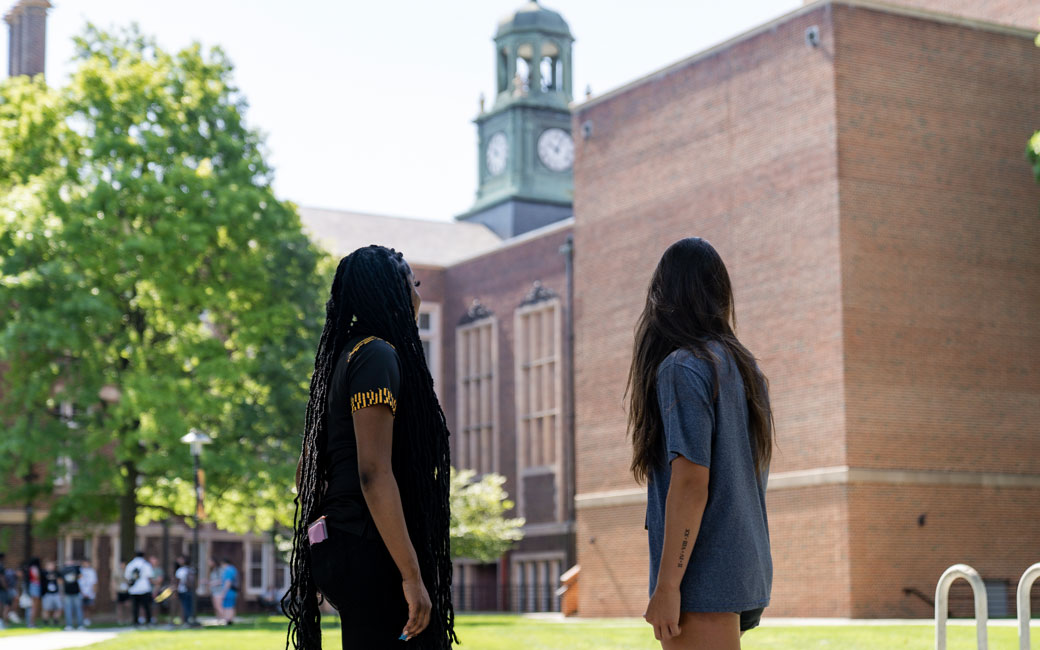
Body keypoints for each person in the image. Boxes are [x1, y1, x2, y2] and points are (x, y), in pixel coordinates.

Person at [283, 246, 456, 649]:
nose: (418, 296)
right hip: (371, 551)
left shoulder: (342, 357)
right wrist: (411, 577)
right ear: (396, 292)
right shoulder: (377, 355)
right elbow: (373, 473)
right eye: (413, 285)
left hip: (341, 545)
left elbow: (304, 475)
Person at [628, 238, 774, 650]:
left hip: (701, 576)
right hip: (739, 566)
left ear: (663, 296)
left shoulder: (683, 367)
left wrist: (668, 585)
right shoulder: (744, 369)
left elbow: (692, 481)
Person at [125, 551, 154, 626]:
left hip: (134, 589)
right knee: (146, 606)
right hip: (144, 588)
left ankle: (135, 621)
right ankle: (148, 621)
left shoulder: (130, 564)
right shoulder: (146, 564)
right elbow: (150, 577)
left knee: (135, 607)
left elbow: (127, 577)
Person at [59, 558, 84, 630]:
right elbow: (60, 581)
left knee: (78, 609)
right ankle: (69, 625)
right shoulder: (63, 570)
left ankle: (80, 625)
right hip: (67, 592)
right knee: (68, 609)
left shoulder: (76, 569)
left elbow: (81, 577)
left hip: (76, 591)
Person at [173, 555, 195, 626]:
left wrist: (175, 590)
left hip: (182, 590)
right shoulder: (191, 569)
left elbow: (177, 581)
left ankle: (185, 620)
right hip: (190, 590)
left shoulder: (180, 570)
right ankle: (189, 619)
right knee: (188, 605)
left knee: (183, 606)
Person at [41, 560, 62, 626]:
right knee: (46, 609)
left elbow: (60, 581)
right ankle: (46, 622)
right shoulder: (43, 573)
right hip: (47, 594)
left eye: (52, 565)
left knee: (59, 608)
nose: (51, 566)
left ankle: (55, 620)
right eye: (50, 565)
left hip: (56, 593)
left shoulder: (56, 573)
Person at [78, 559, 97, 627]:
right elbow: (78, 583)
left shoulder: (92, 572)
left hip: (90, 593)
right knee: (82, 607)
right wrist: (82, 592)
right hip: (82, 593)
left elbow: (94, 583)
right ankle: (82, 619)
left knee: (89, 606)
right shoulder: (80, 571)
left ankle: (88, 619)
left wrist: (93, 592)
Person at [219, 558, 238, 625]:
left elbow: (228, 582)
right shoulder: (233, 569)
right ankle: (229, 620)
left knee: (228, 606)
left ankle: (228, 620)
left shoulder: (228, 570)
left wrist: (223, 593)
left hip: (229, 591)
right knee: (230, 606)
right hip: (232, 591)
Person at [112, 561, 130, 625]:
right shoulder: (117, 572)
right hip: (119, 590)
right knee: (119, 606)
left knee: (127, 605)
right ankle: (120, 619)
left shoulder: (128, 572)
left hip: (126, 591)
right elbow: (114, 582)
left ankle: (127, 618)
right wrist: (114, 592)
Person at [26, 558, 42, 627]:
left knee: (32, 606)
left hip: (32, 586)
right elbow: (37, 577)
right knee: (34, 606)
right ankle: (32, 623)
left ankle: (31, 623)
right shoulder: (34, 568)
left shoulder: (29, 568)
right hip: (35, 586)